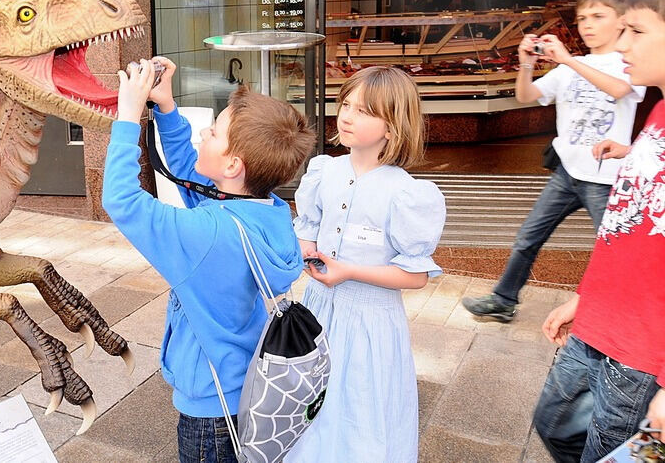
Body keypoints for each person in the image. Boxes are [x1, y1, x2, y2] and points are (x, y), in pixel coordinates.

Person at [102, 58, 315, 463]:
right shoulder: (266, 209)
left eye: (214, 131)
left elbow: (122, 201)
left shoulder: (208, 235)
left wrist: (128, 117)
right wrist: (165, 108)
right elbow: (194, 175)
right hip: (246, 386)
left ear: (233, 164)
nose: (204, 131)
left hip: (211, 409)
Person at [531, 0, 665, 462]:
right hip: (600, 320)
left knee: (613, 451)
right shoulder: (657, 116)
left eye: (637, 30)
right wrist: (586, 298)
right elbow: (630, 229)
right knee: (554, 425)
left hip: (642, 348)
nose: (622, 44)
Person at [285, 66, 447, 462]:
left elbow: (415, 276)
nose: (348, 115)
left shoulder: (407, 193)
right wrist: (306, 251)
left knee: (362, 409)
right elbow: (307, 227)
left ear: (392, 127)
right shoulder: (324, 171)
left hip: (371, 324)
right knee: (310, 406)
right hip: (317, 312)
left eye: (364, 110)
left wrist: (349, 271)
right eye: (346, 104)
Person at [462, 0, 645, 322]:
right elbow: (526, 95)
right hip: (567, 173)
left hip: (605, 179)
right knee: (528, 237)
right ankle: (503, 299)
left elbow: (620, 89)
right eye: (582, 18)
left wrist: (568, 60)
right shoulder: (569, 67)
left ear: (621, 21)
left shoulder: (629, 63)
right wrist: (526, 64)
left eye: (597, 16)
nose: (587, 24)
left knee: (613, 249)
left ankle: (618, 310)